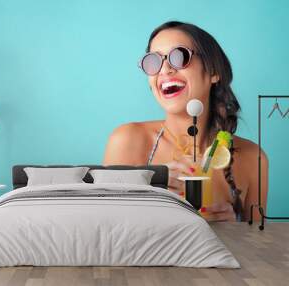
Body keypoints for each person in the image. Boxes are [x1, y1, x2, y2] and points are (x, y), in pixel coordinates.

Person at [103, 21, 268, 222]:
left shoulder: (253, 158)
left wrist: (235, 233)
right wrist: (147, 194)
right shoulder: (128, 140)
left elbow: (257, 246)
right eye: (153, 61)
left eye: (179, 56)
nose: (164, 70)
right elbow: (105, 230)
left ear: (214, 71)